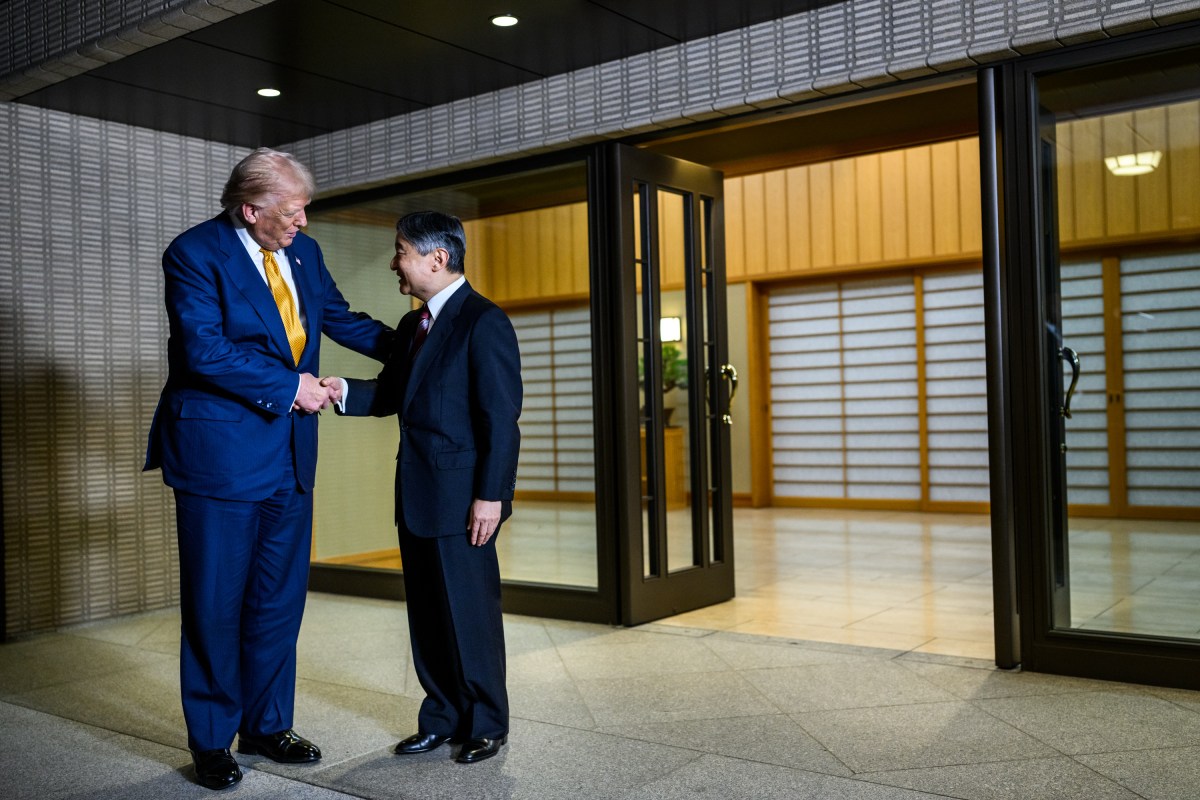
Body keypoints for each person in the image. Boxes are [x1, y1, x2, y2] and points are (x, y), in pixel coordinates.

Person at [143, 148, 394, 790]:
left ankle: (266, 724)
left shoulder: (304, 255)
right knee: (216, 606)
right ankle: (211, 740)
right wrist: (291, 388)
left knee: (278, 603)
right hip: (219, 458)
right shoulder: (195, 253)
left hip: (289, 456)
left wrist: (427, 337)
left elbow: (338, 320)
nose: (303, 222)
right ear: (249, 210)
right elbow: (205, 352)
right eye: (291, 211)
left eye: (305, 207)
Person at [326, 210, 521, 764]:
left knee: (470, 614)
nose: (395, 262)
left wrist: (492, 496)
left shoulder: (484, 321)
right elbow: (391, 395)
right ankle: (441, 715)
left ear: (438, 258)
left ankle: (487, 721)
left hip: (464, 500)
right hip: (417, 493)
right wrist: (337, 390)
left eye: (402, 251)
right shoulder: (415, 327)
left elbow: (500, 421)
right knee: (429, 614)